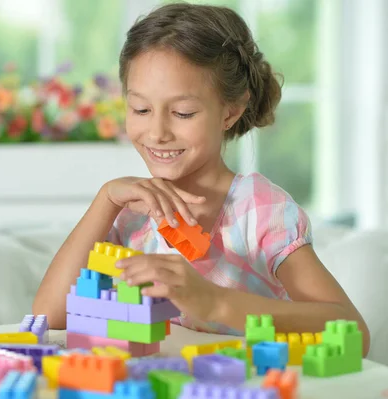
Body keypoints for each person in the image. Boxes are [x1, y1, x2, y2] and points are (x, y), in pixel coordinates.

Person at [32, 1, 369, 354]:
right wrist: (105, 200)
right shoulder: (132, 213)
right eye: (141, 109)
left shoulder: (260, 211)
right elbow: (49, 317)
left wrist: (216, 303)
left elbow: (354, 334)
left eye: (183, 112)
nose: (157, 131)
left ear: (231, 111)